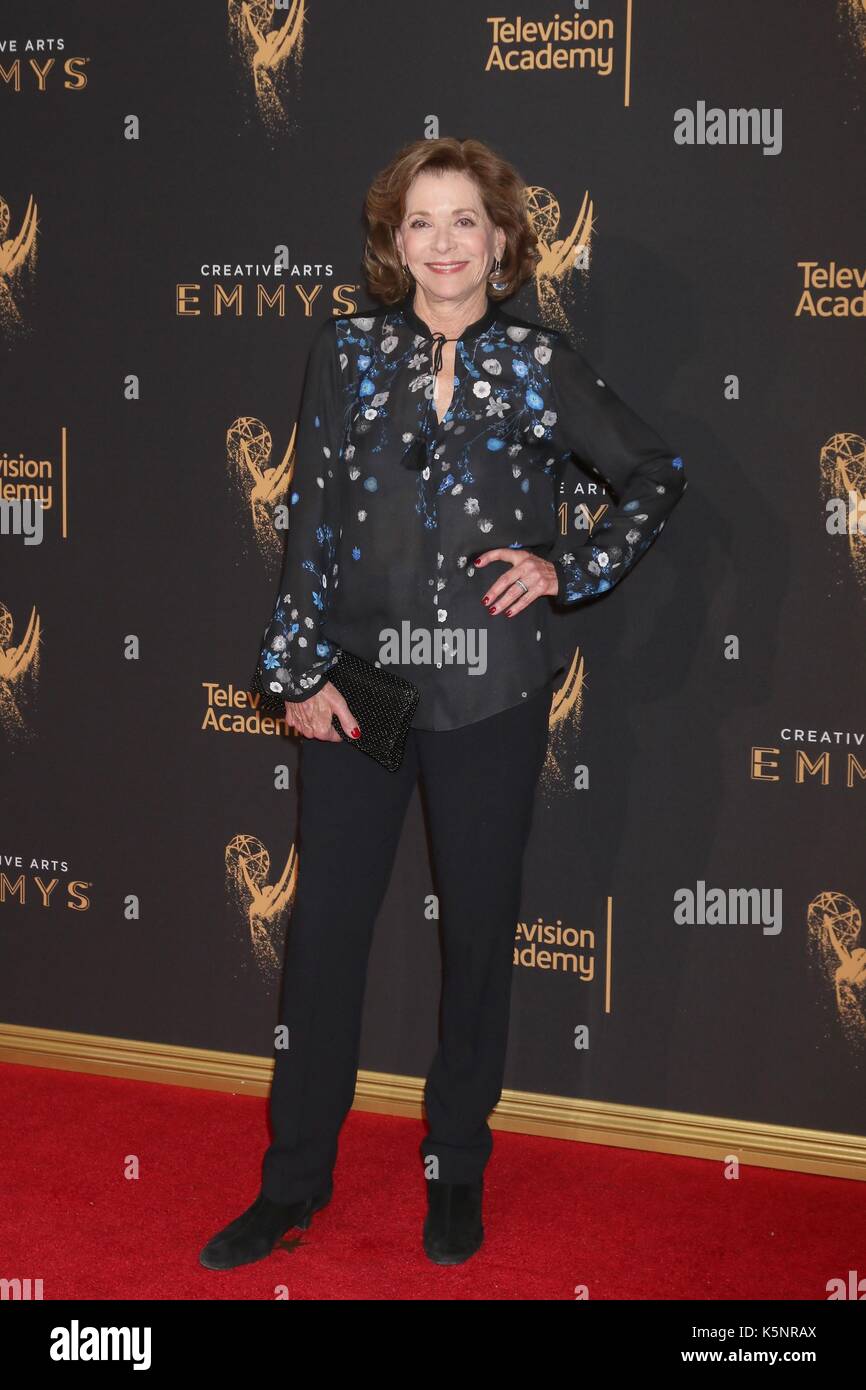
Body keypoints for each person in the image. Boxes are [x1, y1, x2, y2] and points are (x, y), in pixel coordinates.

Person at [200, 136, 687, 1272]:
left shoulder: (537, 363)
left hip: (488, 685)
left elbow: (652, 473)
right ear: (393, 242)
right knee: (320, 939)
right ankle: (290, 1185)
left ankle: (455, 1168)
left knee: (475, 939)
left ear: (503, 241)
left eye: (464, 219)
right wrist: (297, 672)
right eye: (420, 221)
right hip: (360, 686)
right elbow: (309, 515)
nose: (443, 242)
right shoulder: (347, 352)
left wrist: (568, 566)